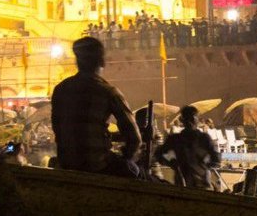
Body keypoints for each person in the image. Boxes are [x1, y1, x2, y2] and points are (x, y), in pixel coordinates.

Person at [50, 35, 141, 175]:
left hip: (66, 163)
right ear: (102, 61)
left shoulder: (61, 89)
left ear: (78, 62)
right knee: (135, 171)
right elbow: (134, 138)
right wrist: (126, 156)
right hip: (98, 165)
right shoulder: (108, 91)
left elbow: (58, 128)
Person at [158, 105, 221, 189]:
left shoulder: (203, 138)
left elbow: (216, 159)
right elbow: (159, 154)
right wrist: (173, 164)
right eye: (188, 118)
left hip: (200, 183)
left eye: (191, 118)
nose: (190, 121)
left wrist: (204, 167)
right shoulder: (176, 138)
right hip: (184, 183)